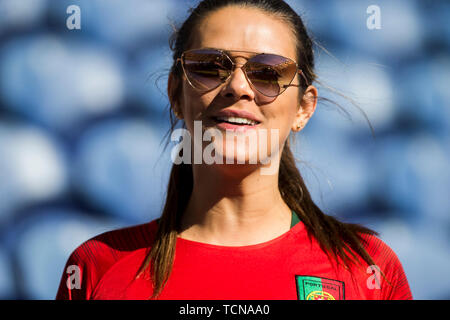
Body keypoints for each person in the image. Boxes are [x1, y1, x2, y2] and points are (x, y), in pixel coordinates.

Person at [56, 0, 412, 300]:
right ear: (176, 94)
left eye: (268, 72)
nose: (238, 86)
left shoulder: (369, 270)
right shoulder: (96, 266)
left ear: (304, 108)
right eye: (210, 67)